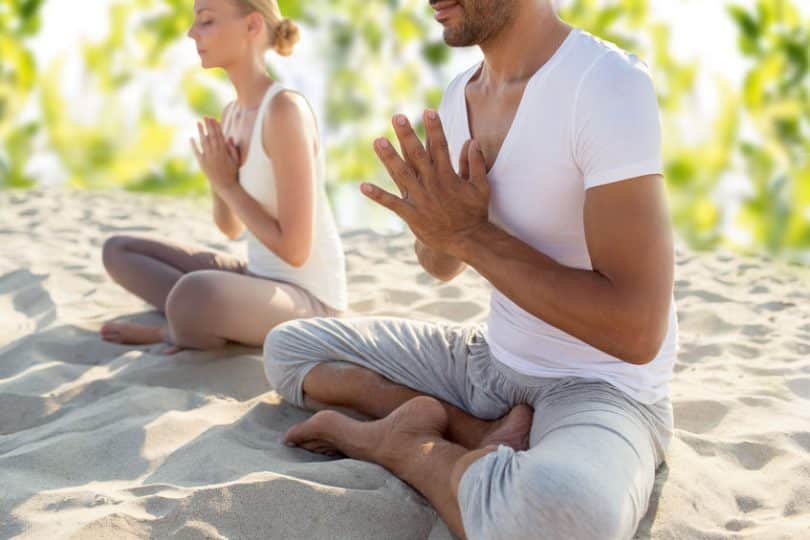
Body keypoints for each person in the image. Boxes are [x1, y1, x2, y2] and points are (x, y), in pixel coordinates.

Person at [264, 0, 677, 538]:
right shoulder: (460, 95)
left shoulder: (604, 84)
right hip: (488, 363)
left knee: (566, 518)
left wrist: (470, 234)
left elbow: (637, 330)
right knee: (290, 350)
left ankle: (407, 448)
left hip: (599, 386)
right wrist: (441, 229)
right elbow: (440, 265)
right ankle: (474, 431)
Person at [100, 0, 346, 354]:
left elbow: (295, 250)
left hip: (310, 300)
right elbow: (230, 228)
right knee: (118, 251)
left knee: (193, 293)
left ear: (252, 27)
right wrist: (219, 181)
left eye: (206, 21)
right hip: (258, 279)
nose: (191, 32)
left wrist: (229, 184)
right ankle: (196, 317)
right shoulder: (232, 113)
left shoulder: (284, 111)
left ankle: (168, 332)